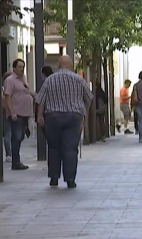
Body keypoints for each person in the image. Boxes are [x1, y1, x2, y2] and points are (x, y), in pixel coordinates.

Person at [36, 55, 93, 188]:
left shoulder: (50, 79)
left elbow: (40, 99)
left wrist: (40, 115)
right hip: (74, 117)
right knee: (71, 148)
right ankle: (70, 179)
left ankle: (54, 177)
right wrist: (83, 112)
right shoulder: (79, 79)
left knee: (54, 147)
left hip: (53, 117)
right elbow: (89, 97)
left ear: (58, 65)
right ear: (71, 66)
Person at [4, 59, 35, 170]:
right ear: (14, 68)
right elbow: (7, 97)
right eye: (20, 67)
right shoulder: (10, 80)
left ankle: (16, 160)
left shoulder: (23, 79)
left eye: (23, 67)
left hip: (25, 113)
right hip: (17, 114)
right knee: (16, 137)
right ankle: (15, 162)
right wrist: (12, 113)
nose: (22, 69)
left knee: (20, 136)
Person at [1, 71, 13, 162]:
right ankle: (9, 153)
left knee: (8, 133)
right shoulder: (5, 90)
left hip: (6, 112)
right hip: (7, 113)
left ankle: (10, 153)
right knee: (8, 133)